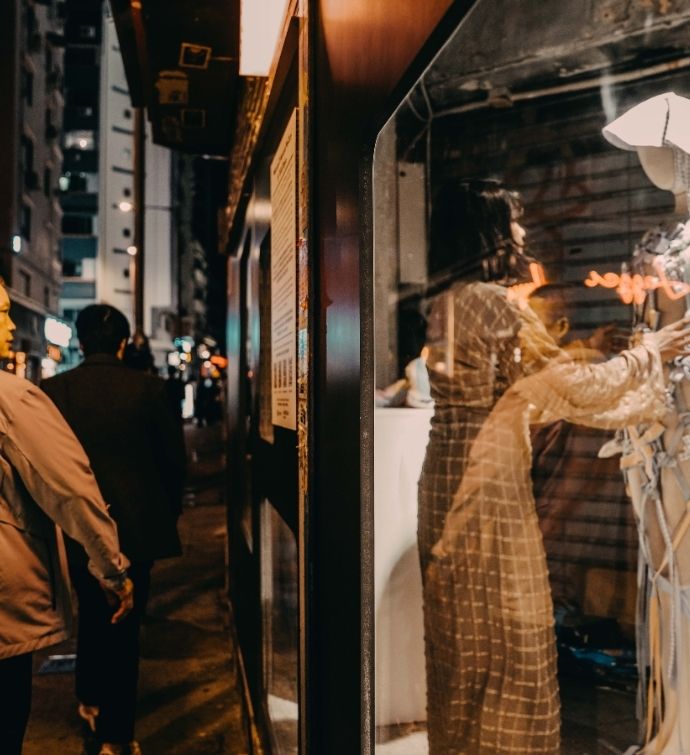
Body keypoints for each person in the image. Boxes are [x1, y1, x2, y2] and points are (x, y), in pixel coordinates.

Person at [417, 179, 690, 754]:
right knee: (512, 641)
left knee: (463, 645)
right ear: (490, 230)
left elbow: (535, 391)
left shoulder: (445, 299)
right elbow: (573, 387)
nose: (521, 231)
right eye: (512, 221)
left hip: (446, 475)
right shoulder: (492, 302)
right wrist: (650, 353)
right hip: (486, 485)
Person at [42, 304, 186, 755]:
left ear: (81, 342)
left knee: (90, 612)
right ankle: (117, 736)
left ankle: (89, 696)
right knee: (126, 627)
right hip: (136, 530)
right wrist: (166, 512)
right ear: (124, 343)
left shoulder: (54, 391)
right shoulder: (150, 390)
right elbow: (172, 464)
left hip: (75, 527)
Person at [0, 282, 133, 755]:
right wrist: (112, 569)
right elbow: (70, 491)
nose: (12, 324)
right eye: (2, 312)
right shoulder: (11, 398)